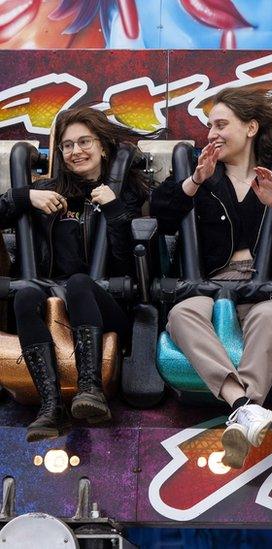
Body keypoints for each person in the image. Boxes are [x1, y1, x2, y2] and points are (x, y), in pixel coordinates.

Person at [150, 88, 272, 468]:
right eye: (209, 125)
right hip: (212, 286)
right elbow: (160, 211)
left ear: (250, 128)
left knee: (269, 316)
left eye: (221, 124)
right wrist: (195, 180)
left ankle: (246, 412)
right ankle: (243, 405)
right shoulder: (203, 176)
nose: (212, 132)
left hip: (265, 286)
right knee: (181, 315)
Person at [5, 107, 150, 442]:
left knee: (81, 283)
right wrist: (25, 196)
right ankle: (51, 406)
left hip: (107, 306)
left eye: (85, 141)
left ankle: (90, 389)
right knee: (25, 296)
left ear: (103, 147)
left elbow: (130, 262)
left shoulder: (128, 192)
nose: (76, 151)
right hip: (54, 301)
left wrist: (114, 210)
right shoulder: (50, 191)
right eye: (67, 146)